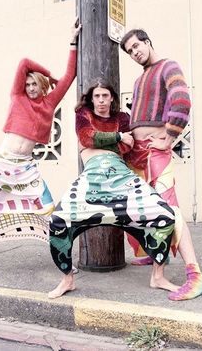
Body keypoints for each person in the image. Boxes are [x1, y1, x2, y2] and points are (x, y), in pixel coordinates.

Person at [48, 78, 177, 299]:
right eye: (97, 96)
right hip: (92, 176)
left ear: (112, 98)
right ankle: (67, 279)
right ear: (91, 98)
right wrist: (116, 137)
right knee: (58, 221)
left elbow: (127, 146)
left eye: (105, 96)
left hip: (121, 175)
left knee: (165, 215)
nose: (101, 100)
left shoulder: (122, 118)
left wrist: (102, 141)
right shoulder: (83, 114)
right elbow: (86, 137)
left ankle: (158, 276)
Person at [0, 20, 82, 276]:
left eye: (35, 84)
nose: (30, 88)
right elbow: (23, 62)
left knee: (49, 212)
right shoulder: (17, 97)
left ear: (41, 87)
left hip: (26, 168)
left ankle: (63, 260)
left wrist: (72, 42)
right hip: (3, 163)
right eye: (28, 84)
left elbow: (69, 76)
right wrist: (49, 74)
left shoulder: (49, 102)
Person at [120, 28, 202, 300]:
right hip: (137, 154)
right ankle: (153, 252)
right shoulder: (139, 80)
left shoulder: (169, 66)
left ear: (147, 42)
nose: (135, 52)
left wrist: (169, 136)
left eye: (137, 46)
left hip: (155, 153)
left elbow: (181, 101)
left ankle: (195, 276)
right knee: (138, 208)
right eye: (130, 51)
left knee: (170, 209)